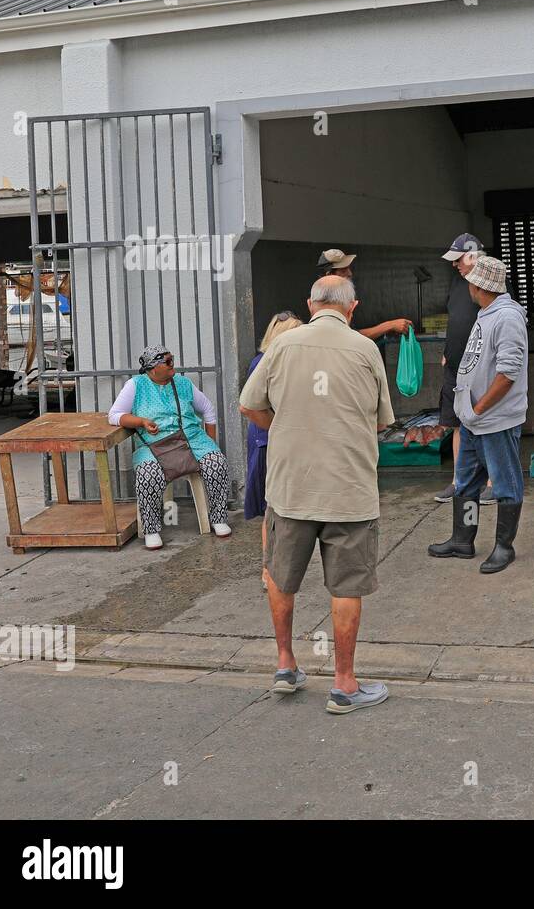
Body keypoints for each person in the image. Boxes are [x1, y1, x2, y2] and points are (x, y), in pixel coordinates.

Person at [239, 275, 395, 713]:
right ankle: (344, 684)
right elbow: (383, 420)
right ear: (353, 307)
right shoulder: (366, 350)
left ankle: (286, 665)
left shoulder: (281, 348)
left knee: (280, 576)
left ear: (310, 304)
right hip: (349, 489)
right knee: (346, 585)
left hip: (291, 487)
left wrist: (287, 429)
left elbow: (249, 406)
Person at [427, 255, 528, 574]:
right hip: (473, 420)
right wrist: (469, 412)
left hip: (493, 419)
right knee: (468, 481)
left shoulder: (507, 318)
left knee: (506, 482)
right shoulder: (487, 313)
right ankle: (462, 538)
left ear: (479, 285)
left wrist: (480, 407)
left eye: (470, 280)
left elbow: (508, 372)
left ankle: (504, 546)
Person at [108, 345, 232, 550]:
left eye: (171, 359)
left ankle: (218, 518)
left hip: (192, 439)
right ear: (153, 367)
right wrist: (141, 422)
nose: (172, 364)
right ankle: (151, 529)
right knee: (148, 474)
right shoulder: (135, 385)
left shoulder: (183, 383)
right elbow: (114, 415)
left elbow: (208, 409)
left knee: (216, 461)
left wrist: (211, 442)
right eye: (167, 361)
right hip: (153, 444)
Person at [433, 233, 495, 507]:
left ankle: (493, 483)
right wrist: (448, 352)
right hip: (455, 366)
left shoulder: (491, 284)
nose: (455, 265)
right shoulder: (458, 283)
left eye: (459, 259)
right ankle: (460, 481)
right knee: (457, 423)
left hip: (482, 369)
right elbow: (455, 320)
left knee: (489, 425)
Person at [244, 311, 303, 588]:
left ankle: (276, 568)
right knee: (272, 511)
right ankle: (268, 570)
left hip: (275, 441)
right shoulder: (264, 363)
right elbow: (251, 406)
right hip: (268, 443)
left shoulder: (287, 361)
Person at [315, 248, 412, 342]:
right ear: (329, 275)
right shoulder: (325, 301)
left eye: (348, 269)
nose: (350, 273)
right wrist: (389, 325)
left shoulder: (337, 298)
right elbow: (348, 337)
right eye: (343, 270)